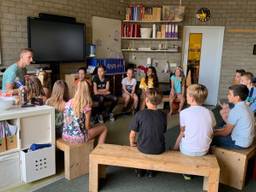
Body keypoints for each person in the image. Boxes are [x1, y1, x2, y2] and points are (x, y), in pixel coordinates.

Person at [129, 88, 167, 177]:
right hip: (159, 148)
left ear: (146, 100)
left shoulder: (139, 114)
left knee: (138, 146)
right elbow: (163, 131)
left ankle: (139, 170)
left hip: (142, 147)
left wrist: (132, 144)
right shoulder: (163, 115)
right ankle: (150, 171)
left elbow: (132, 134)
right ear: (159, 102)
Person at [174, 84, 216, 156]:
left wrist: (175, 147)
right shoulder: (210, 113)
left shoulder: (183, 112)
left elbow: (182, 132)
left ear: (192, 98)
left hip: (186, 150)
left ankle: (174, 150)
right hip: (204, 151)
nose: (185, 96)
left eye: (187, 95)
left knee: (181, 137)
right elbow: (212, 131)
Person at [62, 80, 107, 144]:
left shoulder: (69, 102)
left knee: (96, 126)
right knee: (103, 128)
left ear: (76, 90)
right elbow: (87, 127)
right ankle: (99, 151)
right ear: (88, 91)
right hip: (78, 138)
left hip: (65, 135)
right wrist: (92, 127)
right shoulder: (86, 105)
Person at [213, 84, 255, 149]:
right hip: (248, 141)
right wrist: (216, 130)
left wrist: (211, 134)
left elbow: (225, 133)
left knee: (209, 138)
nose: (227, 96)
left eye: (229, 94)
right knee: (220, 129)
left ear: (237, 97)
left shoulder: (236, 110)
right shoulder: (247, 107)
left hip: (239, 143)